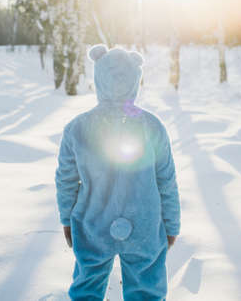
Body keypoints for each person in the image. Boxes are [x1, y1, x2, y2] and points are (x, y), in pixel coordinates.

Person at [55, 44, 181, 300]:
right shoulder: (152, 126)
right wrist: (171, 225)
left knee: (86, 288)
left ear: (98, 76)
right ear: (136, 78)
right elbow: (166, 181)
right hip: (145, 224)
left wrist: (67, 219)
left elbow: (66, 181)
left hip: (92, 224)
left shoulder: (77, 128)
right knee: (147, 290)